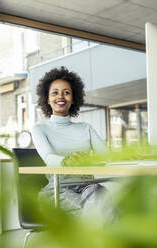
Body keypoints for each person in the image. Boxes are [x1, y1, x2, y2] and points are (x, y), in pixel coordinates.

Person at [31, 66, 109, 214]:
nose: (60, 96)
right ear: (47, 99)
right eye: (55, 93)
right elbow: (48, 157)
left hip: (89, 187)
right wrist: (66, 160)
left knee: (100, 198)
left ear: (73, 99)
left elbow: (106, 156)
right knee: (98, 211)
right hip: (57, 191)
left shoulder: (85, 128)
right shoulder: (39, 129)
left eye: (66, 93)